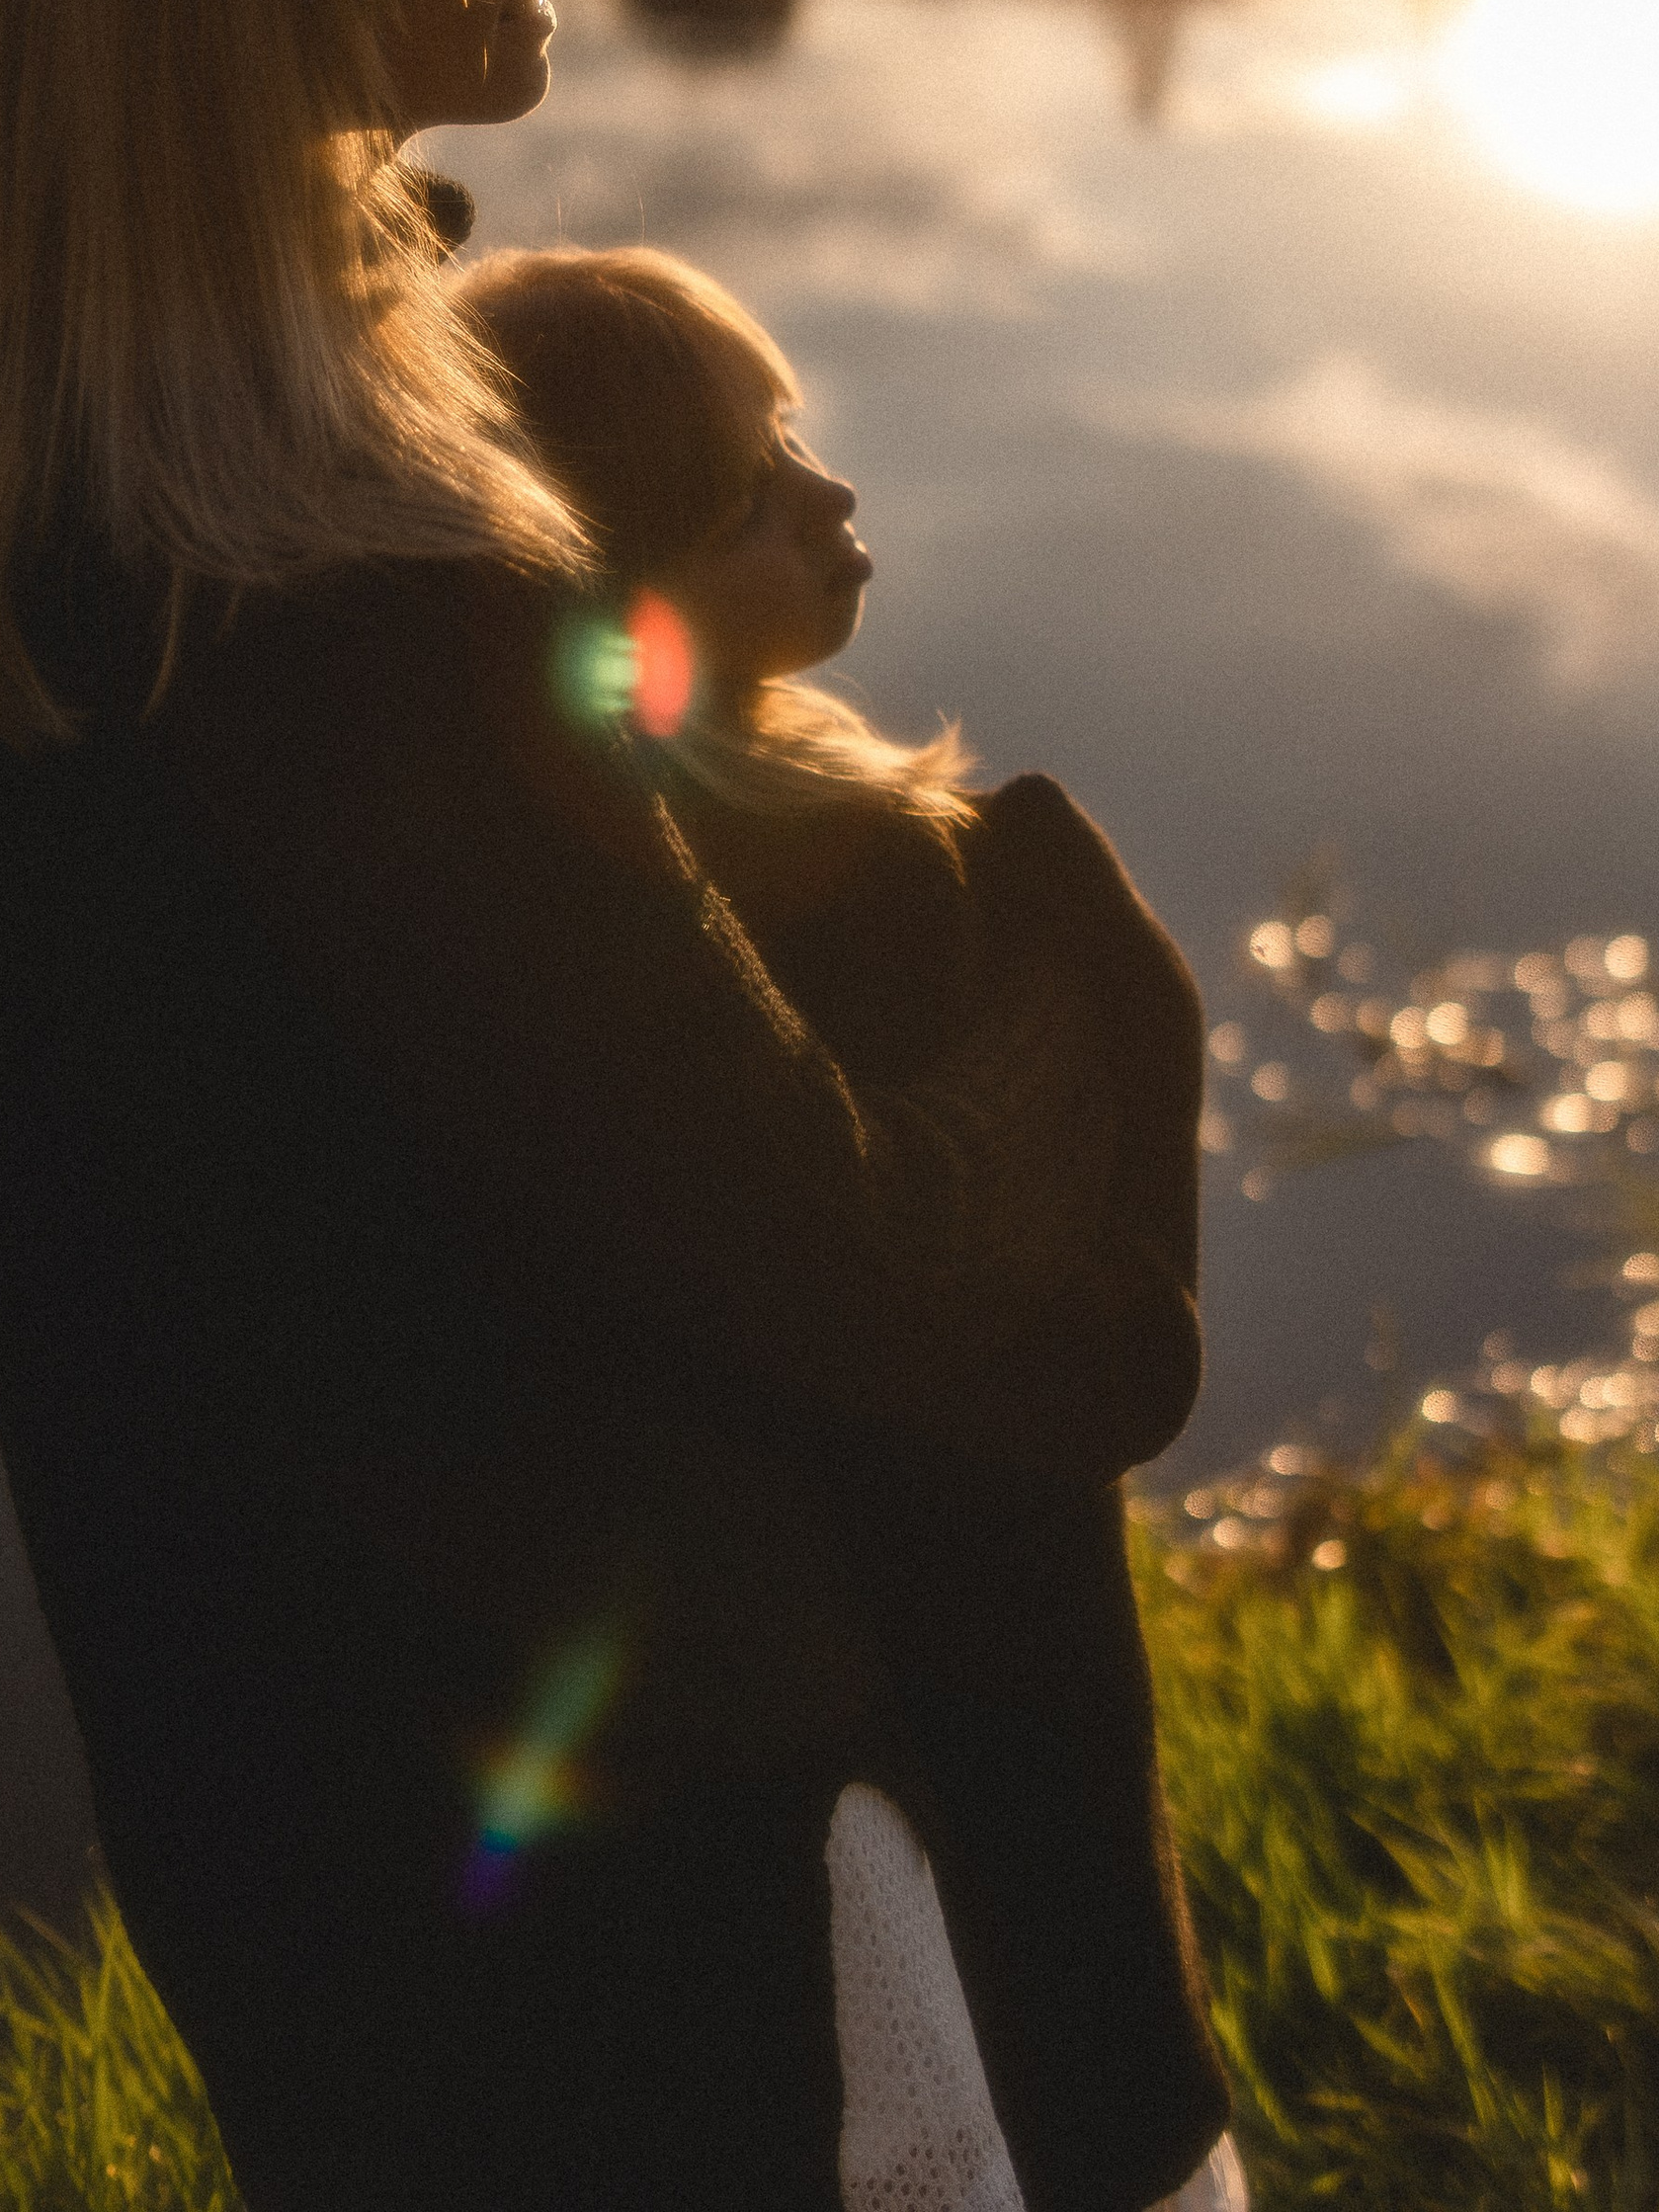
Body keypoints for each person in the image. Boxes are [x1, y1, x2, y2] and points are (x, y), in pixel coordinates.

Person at [0, 0, 1234, 2212]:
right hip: (678, 1869)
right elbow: (871, 1270)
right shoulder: (349, 616)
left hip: (314, 1810)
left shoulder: (45, 529)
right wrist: (1050, 936)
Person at [456, 244, 1246, 2212]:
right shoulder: (887, 901)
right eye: (747, 497)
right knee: (1028, 2103)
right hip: (939, 1685)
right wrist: (1070, 930)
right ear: (621, 591)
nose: (829, 498)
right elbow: (1093, 1337)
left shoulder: (570, 893)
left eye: (795, 439)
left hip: (778, 1706)